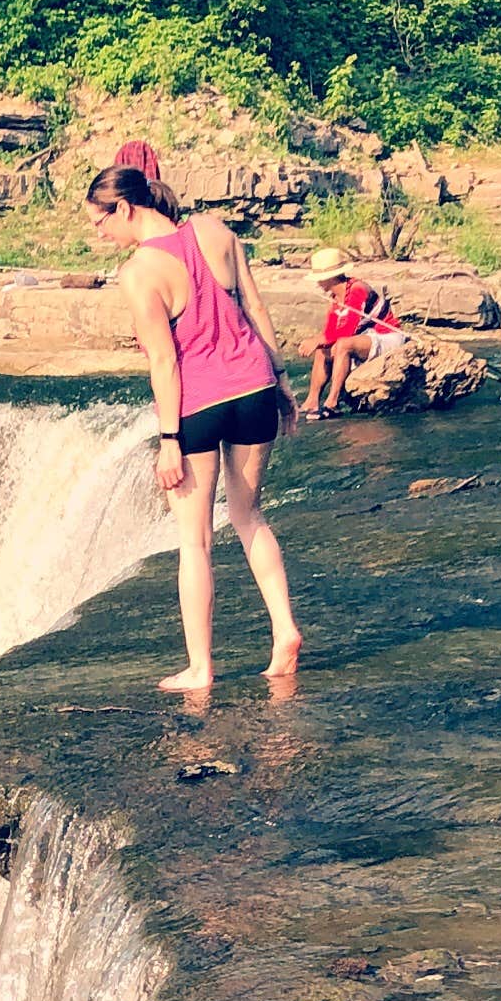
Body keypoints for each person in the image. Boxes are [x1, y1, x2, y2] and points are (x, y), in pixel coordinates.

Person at [86, 160, 303, 694]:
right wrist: (281, 382)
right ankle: (285, 629)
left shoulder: (138, 272)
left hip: (199, 405)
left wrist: (168, 441)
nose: (99, 233)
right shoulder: (213, 231)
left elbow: (163, 360)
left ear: (126, 208)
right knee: (250, 516)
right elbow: (253, 306)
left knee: (196, 539)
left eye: (100, 221)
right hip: (254, 387)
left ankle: (200, 667)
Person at [301, 247, 400, 416]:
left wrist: (318, 339)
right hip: (366, 337)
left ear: (330, 278)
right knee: (323, 350)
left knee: (343, 345)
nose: (318, 283)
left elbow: (347, 330)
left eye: (320, 279)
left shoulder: (357, 289)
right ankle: (312, 400)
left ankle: (332, 401)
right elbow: (331, 330)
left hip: (387, 336)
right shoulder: (335, 298)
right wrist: (319, 342)